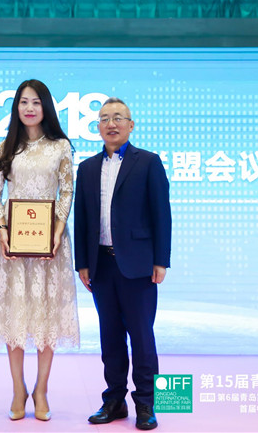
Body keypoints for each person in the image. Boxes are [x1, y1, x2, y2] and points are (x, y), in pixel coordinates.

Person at [0, 79, 80, 422]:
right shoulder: (5, 147)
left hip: (49, 244)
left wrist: (57, 230)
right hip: (12, 244)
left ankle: (41, 389)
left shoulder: (60, 147)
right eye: (23, 102)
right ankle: (17, 389)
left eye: (36, 102)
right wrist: (3, 229)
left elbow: (66, 191)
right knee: (16, 315)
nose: (29, 108)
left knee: (46, 315)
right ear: (16, 108)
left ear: (46, 107)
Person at [74, 97, 171, 431]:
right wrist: (82, 263)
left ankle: (146, 403)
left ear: (131, 125)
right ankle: (114, 400)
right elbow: (82, 218)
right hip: (101, 265)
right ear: (97, 127)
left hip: (138, 265)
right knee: (110, 337)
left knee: (142, 337)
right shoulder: (87, 168)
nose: (111, 124)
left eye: (118, 118)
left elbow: (162, 214)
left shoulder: (148, 162)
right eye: (104, 119)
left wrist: (161, 260)